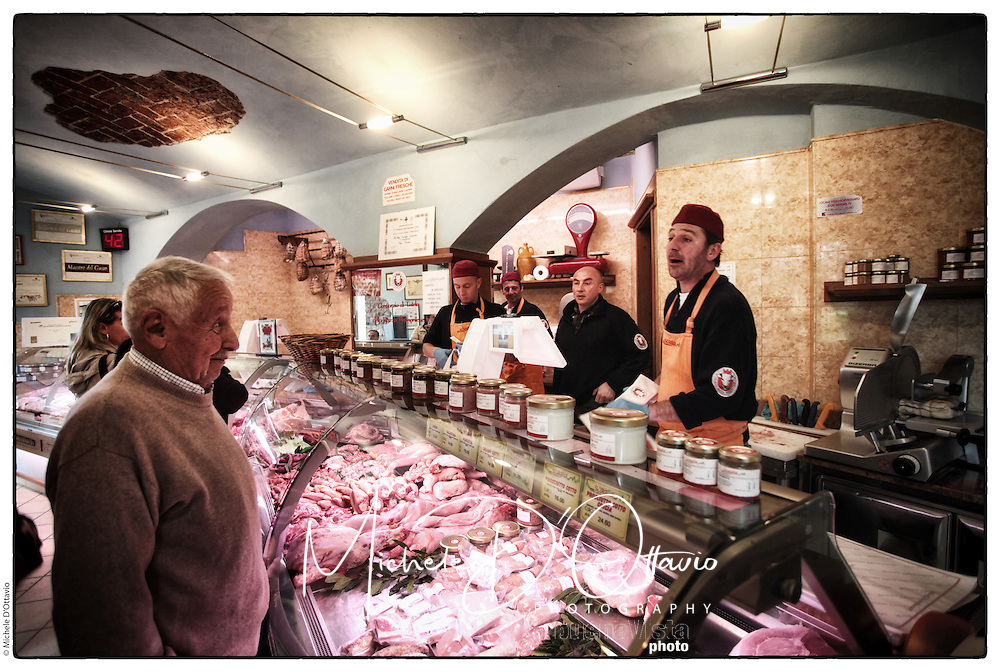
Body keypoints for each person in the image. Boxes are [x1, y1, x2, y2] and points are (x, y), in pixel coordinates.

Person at [45, 256, 269, 656]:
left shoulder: (188, 391)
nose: (233, 340)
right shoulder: (106, 431)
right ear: (156, 328)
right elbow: (100, 622)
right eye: (217, 323)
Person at [645, 204, 758, 445]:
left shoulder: (727, 305)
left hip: (712, 447)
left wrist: (651, 412)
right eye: (670, 237)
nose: (672, 246)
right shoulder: (673, 301)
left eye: (686, 238)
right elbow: (677, 374)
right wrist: (643, 394)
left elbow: (721, 393)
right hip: (672, 441)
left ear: (712, 251)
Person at [553, 266, 650, 414]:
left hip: (597, 402)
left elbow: (641, 355)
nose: (580, 289)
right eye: (576, 283)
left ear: (600, 288)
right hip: (566, 401)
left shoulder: (616, 318)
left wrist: (613, 383)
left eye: (587, 283)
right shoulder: (566, 318)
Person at [422, 259, 505, 368]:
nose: (461, 292)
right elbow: (426, 346)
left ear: (478, 283)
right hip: (452, 377)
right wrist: (436, 352)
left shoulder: (496, 312)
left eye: (466, 286)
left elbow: (506, 349)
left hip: (485, 378)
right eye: (457, 286)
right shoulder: (445, 313)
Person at [496, 271, 550, 393]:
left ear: (521, 288)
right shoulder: (499, 311)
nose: (511, 292)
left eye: (514, 288)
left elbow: (547, 339)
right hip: (506, 370)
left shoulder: (533, 311)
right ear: (502, 291)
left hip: (528, 371)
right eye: (507, 289)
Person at [64, 297, 130, 397]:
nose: (131, 327)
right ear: (102, 328)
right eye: (124, 321)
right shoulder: (110, 362)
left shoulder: (82, 354)